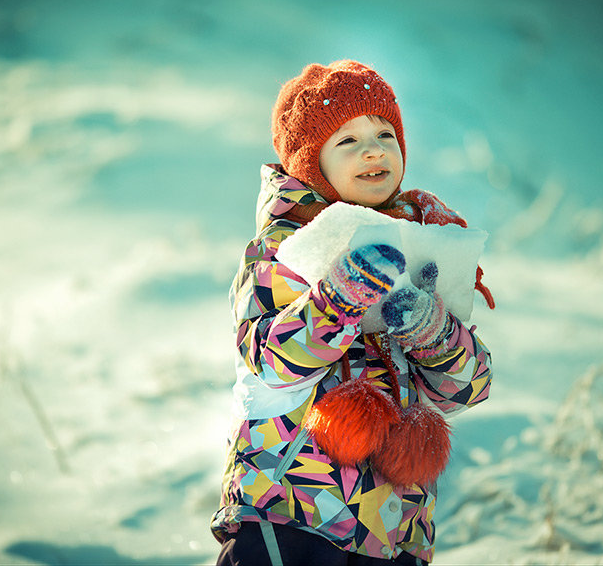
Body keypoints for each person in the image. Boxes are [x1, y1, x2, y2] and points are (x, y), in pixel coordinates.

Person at [211, 60, 494, 566]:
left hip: (393, 525)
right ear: (310, 162)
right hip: (290, 508)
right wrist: (338, 298)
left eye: (386, 134)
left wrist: (433, 332)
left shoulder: (423, 245)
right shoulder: (282, 250)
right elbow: (272, 359)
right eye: (347, 140)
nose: (374, 149)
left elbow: (469, 386)